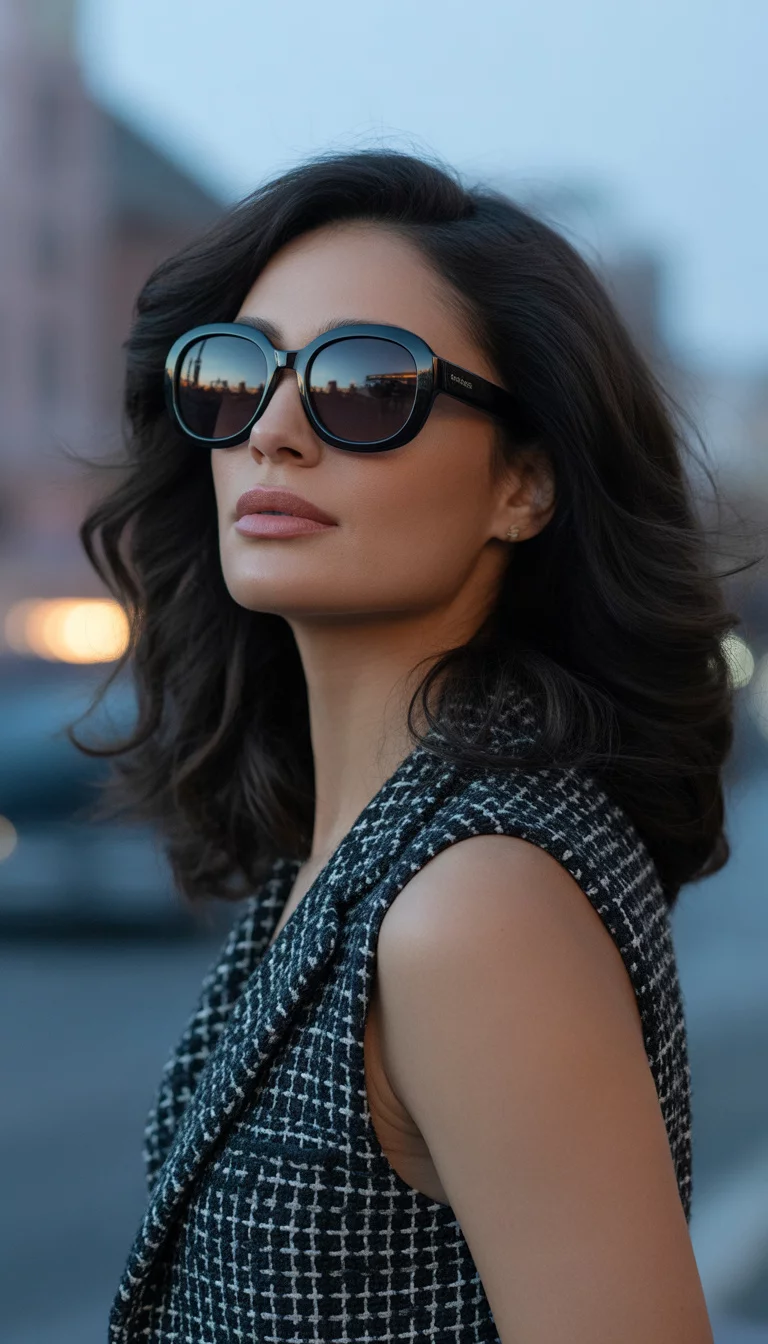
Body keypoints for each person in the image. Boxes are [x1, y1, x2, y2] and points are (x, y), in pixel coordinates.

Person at [76, 148, 734, 1343]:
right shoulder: (363, 844)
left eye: (367, 386)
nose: (272, 431)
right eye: (234, 374)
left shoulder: (471, 902)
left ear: (523, 486)